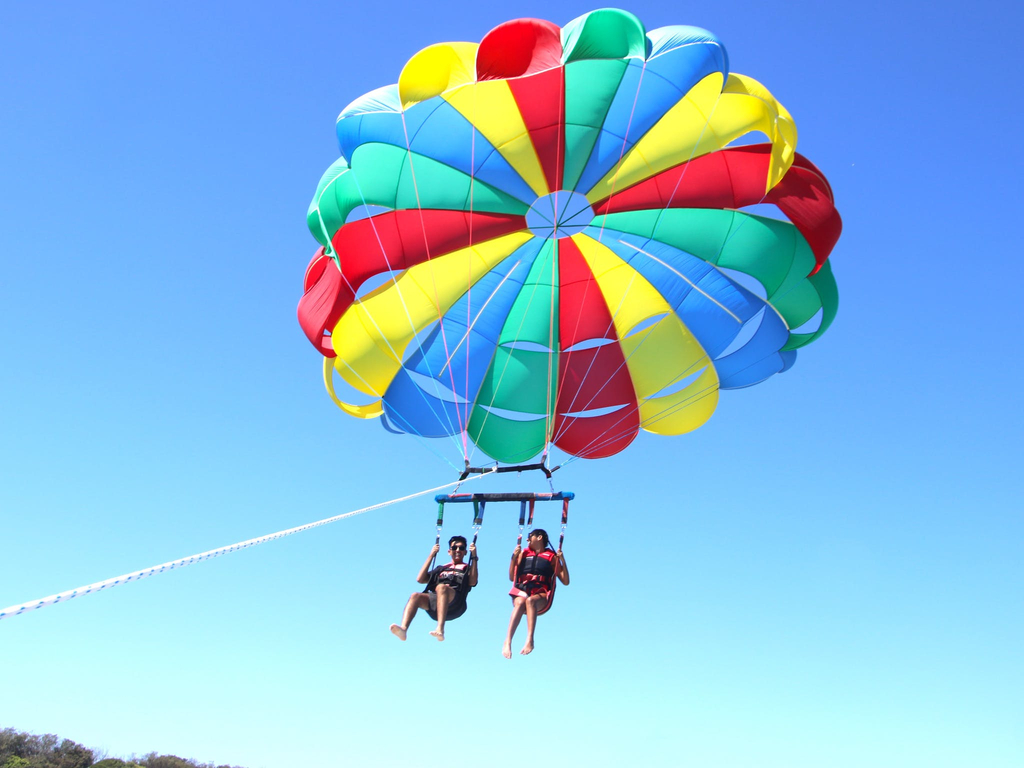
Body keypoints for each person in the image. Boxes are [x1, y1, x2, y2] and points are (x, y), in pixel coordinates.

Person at [390, 535, 478, 642]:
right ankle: (403, 629)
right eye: (454, 548)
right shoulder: (441, 568)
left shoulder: (467, 568)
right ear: (449, 551)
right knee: (415, 596)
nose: (458, 550)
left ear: (465, 552)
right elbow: (420, 579)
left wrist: (474, 557)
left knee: (441, 587)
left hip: (456, 605)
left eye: (461, 548)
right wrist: (431, 555)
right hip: (436, 606)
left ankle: (440, 629)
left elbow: (472, 582)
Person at [502, 528, 569, 658]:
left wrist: (562, 561)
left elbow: (565, 581)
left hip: (540, 593)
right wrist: (513, 558)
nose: (527, 539)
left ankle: (530, 639)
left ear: (539, 538)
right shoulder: (523, 554)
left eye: (530, 536)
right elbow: (512, 577)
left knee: (530, 601)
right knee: (521, 601)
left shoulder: (551, 557)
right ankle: (508, 641)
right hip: (522, 590)